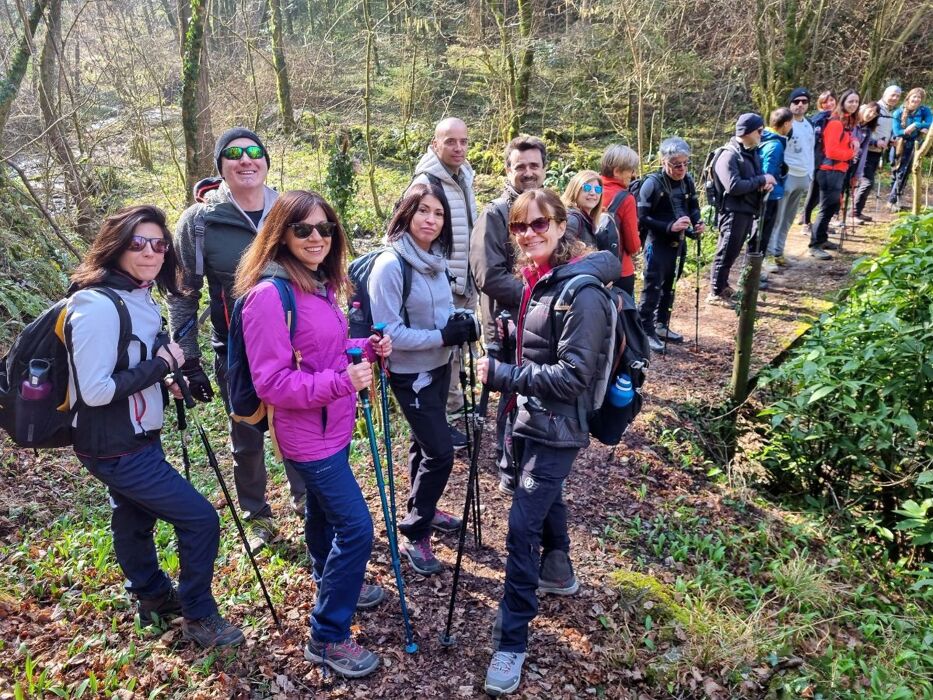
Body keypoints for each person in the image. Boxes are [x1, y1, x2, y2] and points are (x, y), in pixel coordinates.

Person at [66, 205, 244, 648]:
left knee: (133, 517)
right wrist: (162, 363)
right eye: (137, 243)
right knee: (201, 520)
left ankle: (151, 596)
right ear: (115, 246)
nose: (150, 251)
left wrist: (164, 381)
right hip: (115, 445)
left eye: (159, 244)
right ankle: (199, 616)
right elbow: (95, 390)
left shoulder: (136, 295)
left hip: (132, 436)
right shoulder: (96, 304)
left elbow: (126, 367)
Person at [234, 190, 392, 678]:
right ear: (280, 234)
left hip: (333, 426)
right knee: (357, 528)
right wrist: (343, 382)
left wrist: (363, 346)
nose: (316, 237)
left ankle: (331, 580)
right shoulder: (268, 296)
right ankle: (326, 636)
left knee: (325, 517)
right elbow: (273, 382)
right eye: (302, 229)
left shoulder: (319, 285)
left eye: (324, 228)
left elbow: (321, 348)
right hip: (306, 436)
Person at [475, 188, 621, 697]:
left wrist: (504, 373)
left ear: (563, 227)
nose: (530, 233)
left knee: (520, 528)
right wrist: (511, 331)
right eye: (520, 227)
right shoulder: (537, 281)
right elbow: (543, 344)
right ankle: (558, 570)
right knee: (540, 499)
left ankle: (510, 642)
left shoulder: (581, 291)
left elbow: (575, 374)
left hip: (558, 426)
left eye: (540, 224)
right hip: (529, 418)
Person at [167, 127, 305, 553]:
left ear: (266, 161)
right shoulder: (201, 222)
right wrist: (186, 359)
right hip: (235, 350)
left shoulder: (290, 211)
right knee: (246, 435)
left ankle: (309, 503)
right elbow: (183, 294)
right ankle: (257, 516)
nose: (246, 160)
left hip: (296, 346)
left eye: (253, 152)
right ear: (220, 167)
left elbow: (318, 273)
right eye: (233, 155)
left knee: (299, 428)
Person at [370, 183, 479, 575]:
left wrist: (459, 325)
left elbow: (443, 309)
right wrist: (440, 337)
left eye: (439, 213)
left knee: (423, 444)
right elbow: (388, 333)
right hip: (408, 373)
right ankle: (414, 531)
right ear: (407, 213)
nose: (431, 220)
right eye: (423, 211)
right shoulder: (391, 264)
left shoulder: (434, 259)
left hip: (437, 367)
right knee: (440, 452)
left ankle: (424, 509)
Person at [470, 135, 547, 493]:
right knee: (508, 392)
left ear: (544, 168)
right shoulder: (496, 214)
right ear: (508, 169)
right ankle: (507, 464)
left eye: (534, 165)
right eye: (521, 167)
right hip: (504, 322)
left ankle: (532, 457)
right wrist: (539, 295)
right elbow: (488, 275)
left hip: (544, 322)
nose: (528, 173)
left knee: (536, 387)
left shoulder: (550, 209)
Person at [409, 117, 478, 436]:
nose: (459, 147)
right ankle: (442, 421)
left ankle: (455, 404)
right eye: (450, 141)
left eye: (463, 141)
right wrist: (436, 276)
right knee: (439, 352)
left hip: (464, 279)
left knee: (456, 349)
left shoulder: (464, 175)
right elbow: (415, 235)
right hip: (441, 281)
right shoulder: (426, 181)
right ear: (435, 144)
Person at [636, 138, 704, 349]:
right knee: (653, 287)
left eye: (685, 163)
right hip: (657, 244)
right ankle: (644, 330)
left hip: (680, 242)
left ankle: (662, 324)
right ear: (664, 162)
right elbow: (642, 218)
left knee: (671, 286)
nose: (682, 168)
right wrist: (669, 227)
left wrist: (697, 223)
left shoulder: (688, 180)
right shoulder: (652, 184)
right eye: (676, 164)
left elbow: (693, 206)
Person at [707, 114, 775, 307]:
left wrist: (763, 184)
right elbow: (733, 186)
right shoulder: (729, 155)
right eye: (759, 131)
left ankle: (722, 286)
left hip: (745, 211)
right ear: (747, 132)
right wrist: (762, 180)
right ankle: (715, 291)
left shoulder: (749, 152)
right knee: (726, 250)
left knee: (733, 251)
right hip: (732, 212)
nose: (762, 134)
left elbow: (751, 179)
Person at [766, 88, 815, 269]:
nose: (800, 104)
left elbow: (810, 150)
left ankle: (779, 252)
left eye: (804, 101)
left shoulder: (808, 125)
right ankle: (769, 255)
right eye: (796, 101)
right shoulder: (784, 124)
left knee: (788, 218)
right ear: (790, 103)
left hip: (803, 176)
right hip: (787, 176)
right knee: (776, 217)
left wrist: (810, 174)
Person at [810, 89, 860, 260]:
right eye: (850, 101)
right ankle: (815, 244)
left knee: (832, 206)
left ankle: (822, 239)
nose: (854, 105)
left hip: (838, 171)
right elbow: (831, 151)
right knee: (826, 208)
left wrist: (853, 142)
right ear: (843, 102)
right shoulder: (836, 123)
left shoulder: (846, 123)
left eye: (856, 102)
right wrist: (851, 154)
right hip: (828, 171)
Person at [598, 144, 642, 295]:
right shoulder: (625, 199)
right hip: (620, 271)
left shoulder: (588, 190)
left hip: (591, 268)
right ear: (617, 171)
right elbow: (632, 245)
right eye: (630, 170)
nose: (633, 175)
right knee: (623, 316)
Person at [756, 108, 793, 286]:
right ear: (786, 124)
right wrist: (768, 187)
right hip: (769, 196)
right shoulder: (775, 144)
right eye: (790, 123)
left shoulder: (766, 139)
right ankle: (755, 276)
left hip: (768, 195)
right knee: (762, 235)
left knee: (761, 235)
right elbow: (768, 171)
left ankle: (757, 274)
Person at [855, 86, 900, 222]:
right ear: (884, 94)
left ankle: (857, 211)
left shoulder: (890, 112)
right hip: (866, 152)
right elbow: (861, 131)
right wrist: (875, 142)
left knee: (867, 183)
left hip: (878, 153)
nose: (895, 98)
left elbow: (884, 131)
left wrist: (891, 139)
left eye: (898, 96)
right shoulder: (873, 109)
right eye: (892, 95)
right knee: (866, 182)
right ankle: (854, 212)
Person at [888, 88, 932, 211]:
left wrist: (916, 125)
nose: (916, 99)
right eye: (914, 96)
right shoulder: (898, 112)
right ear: (909, 97)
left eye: (919, 97)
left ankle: (893, 200)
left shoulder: (924, 111)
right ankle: (894, 196)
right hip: (898, 144)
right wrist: (914, 129)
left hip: (913, 145)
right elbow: (897, 132)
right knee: (895, 172)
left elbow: (930, 123)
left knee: (903, 172)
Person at [801, 91, 837, 233]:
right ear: (820, 104)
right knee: (814, 192)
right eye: (825, 102)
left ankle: (820, 224)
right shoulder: (817, 119)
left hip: (832, 161)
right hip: (817, 161)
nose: (829, 104)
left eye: (831, 100)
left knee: (825, 195)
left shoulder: (838, 118)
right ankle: (806, 222)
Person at [852, 102, 881, 223]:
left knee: (851, 188)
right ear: (864, 108)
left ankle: (854, 213)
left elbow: (863, 152)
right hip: (843, 161)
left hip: (856, 161)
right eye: (870, 111)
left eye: (875, 114)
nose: (871, 115)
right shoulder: (852, 122)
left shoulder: (868, 130)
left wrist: (858, 172)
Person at [560, 170, 603, 248]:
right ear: (575, 190)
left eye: (597, 189)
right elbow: (562, 254)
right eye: (587, 188)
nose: (593, 193)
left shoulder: (586, 219)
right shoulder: (572, 219)